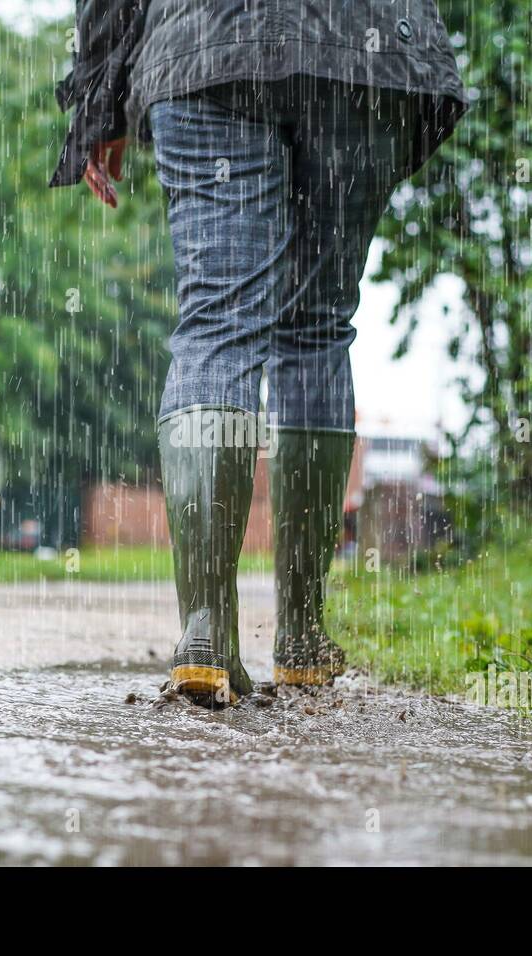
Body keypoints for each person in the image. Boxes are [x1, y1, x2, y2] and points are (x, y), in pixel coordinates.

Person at [51, 1, 466, 706]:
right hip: (361, 54)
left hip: (210, 46)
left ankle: (206, 633)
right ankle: (302, 633)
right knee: (318, 327)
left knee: (219, 321)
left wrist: (101, 99)